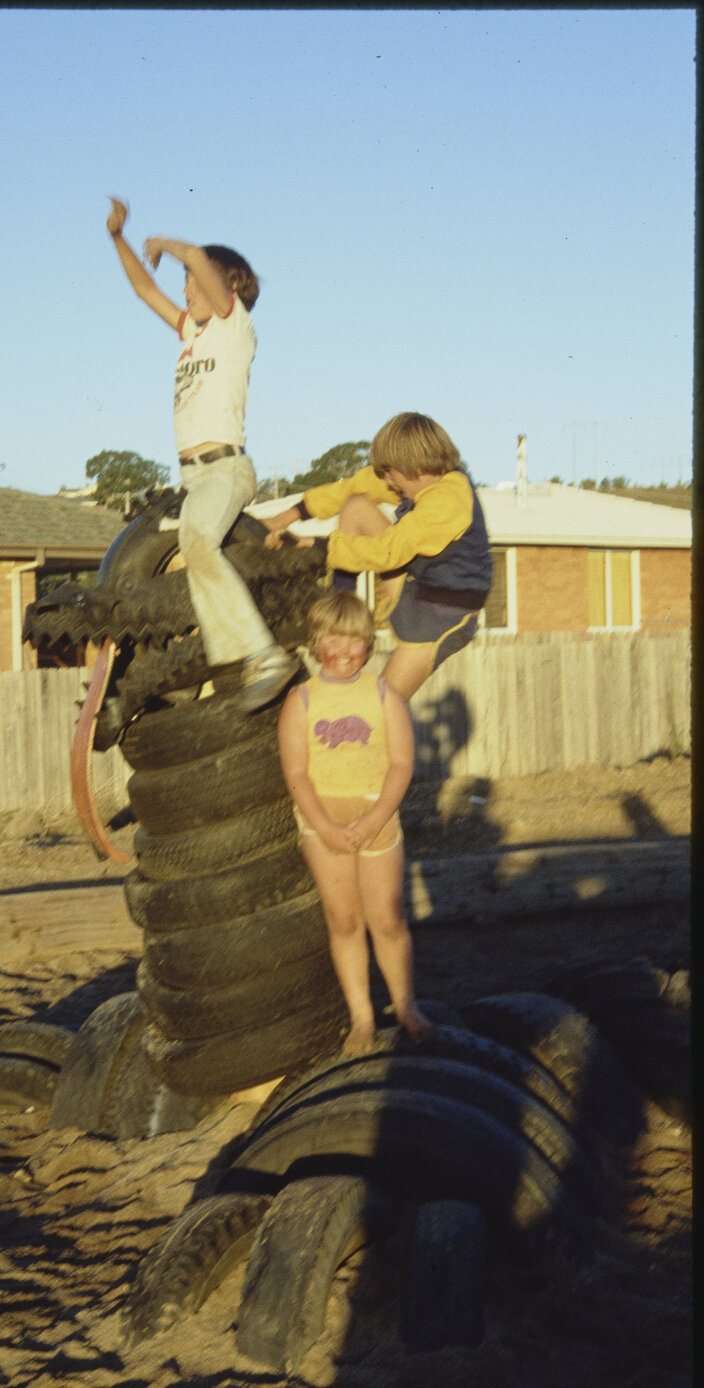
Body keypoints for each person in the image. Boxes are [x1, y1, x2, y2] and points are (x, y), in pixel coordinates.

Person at [106, 196, 297, 713]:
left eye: (192, 282)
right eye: (186, 284)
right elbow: (146, 290)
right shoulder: (191, 333)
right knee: (182, 564)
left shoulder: (235, 327)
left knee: (197, 543)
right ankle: (189, 672)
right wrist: (118, 238)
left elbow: (194, 256)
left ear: (223, 285)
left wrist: (164, 245)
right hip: (191, 477)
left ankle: (263, 655)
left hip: (224, 470)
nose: (185, 290)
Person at [278, 590, 434, 1055]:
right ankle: (362, 1018)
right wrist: (325, 827)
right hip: (322, 824)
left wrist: (375, 818)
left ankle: (406, 1007)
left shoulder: (384, 695)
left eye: (354, 641)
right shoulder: (301, 700)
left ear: (368, 644)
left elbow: (401, 765)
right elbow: (296, 773)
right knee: (344, 922)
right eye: (334, 640)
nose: (344, 651)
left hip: (376, 819)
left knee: (387, 918)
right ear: (315, 643)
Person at [262, 411, 492, 702]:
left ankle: (347, 631)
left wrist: (313, 544)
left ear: (417, 467)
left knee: (381, 708)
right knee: (356, 505)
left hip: (444, 617)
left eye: (390, 474)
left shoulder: (449, 499)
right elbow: (353, 487)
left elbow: (387, 553)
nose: (388, 482)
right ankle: (342, 619)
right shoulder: (418, 479)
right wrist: (284, 518)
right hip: (415, 590)